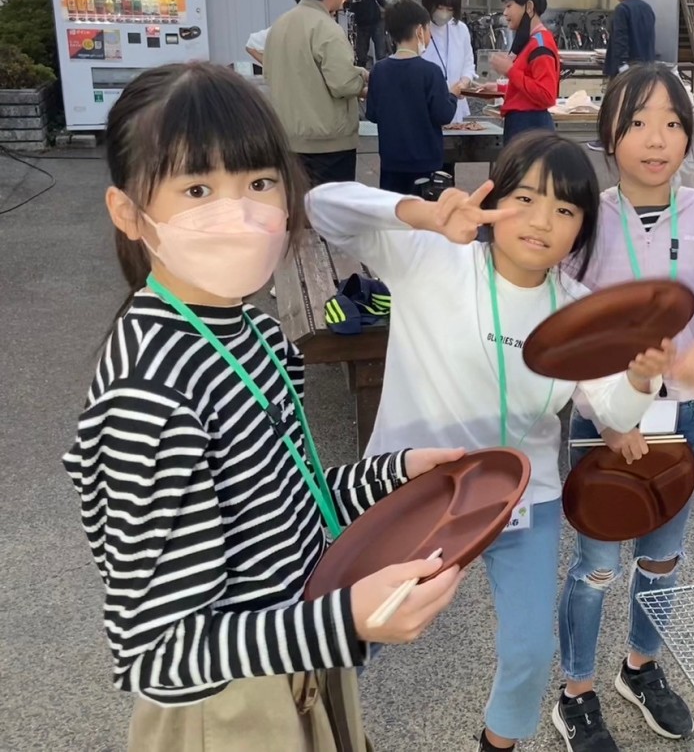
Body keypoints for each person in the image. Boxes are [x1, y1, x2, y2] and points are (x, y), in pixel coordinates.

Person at [65, 62, 465, 751]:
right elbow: (156, 652)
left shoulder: (255, 332)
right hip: (227, 710)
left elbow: (282, 498)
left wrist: (393, 475)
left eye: (258, 183)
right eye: (197, 189)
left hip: (297, 661)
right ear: (128, 213)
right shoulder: (148, 395)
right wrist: (344, 621)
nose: (241, 213)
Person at [305, 134, 673, 752]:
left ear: (582, 229)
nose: (541, 221)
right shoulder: (434, 257)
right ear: (493, 199)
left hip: (523, 496)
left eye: (564, 209)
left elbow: (609, 409)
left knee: (530, 648)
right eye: (524, 198)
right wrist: (423, 213)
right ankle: (315, 732)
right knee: (352, 632)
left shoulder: (578, 312)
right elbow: (322, 206)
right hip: (414, 486)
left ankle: (498, 745)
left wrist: (640, 379)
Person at [553, 65, 694, 751]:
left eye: (672, 123)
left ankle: (640, 667)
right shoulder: (587, 221)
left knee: (663, 555)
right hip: (603, 420)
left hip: (686, 417)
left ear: (690, 135)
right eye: (638, 123)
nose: (656, 139)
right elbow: (564, 329)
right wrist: (607, 414)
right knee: (596, 564)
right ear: (608, 135)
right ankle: (576, 692)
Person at [265, 0, 368, 185]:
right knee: (330, 206)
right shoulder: (327, 28)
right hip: (328, 146)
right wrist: (364, 80)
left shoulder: (279, 25)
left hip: (287, 140)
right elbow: (343, 84)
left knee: (298, 204)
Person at [366, 0, 464, 194]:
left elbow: (373, 114)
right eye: (428, 30)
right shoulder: (430, 72)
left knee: (394, 208)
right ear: (420, 30)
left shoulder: (379, 70)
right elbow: (443, 114)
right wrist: (452, 95)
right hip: (425, 162)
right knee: (423, 209)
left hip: (391, 161)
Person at [483, 0, 560, 144]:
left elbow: (546, 95)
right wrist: (500, 89)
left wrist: (510, 71)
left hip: (531, 128)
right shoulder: (531, 41)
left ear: (529, 7)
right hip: (523, 125)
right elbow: (528, 86)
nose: (505, 13)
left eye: (509, 6)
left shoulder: (540, 44)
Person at [421, 0, 477, 123]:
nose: (444, 13)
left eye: (450, 9)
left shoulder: (460, 29)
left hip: (455, 104)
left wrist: (464, 82)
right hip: (426, 107)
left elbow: (468, 64)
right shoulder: (418, 29)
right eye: (440, 8)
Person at [604, 0, 656, 78]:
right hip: (648, 68)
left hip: (629, 70)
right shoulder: (647, 8)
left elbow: (620, 39)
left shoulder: (622, 9)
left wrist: (622, 66)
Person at [348, 0, 389, 67]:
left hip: (375, 21)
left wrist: (388, 8)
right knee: (361, 53)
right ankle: (362, 69)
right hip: (363, 24)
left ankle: (383, 68)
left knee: (380, 51)